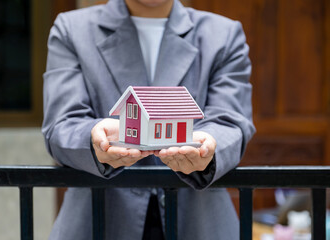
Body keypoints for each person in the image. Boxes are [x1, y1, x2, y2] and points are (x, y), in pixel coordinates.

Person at [42, 0, 256, 239]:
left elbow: (231, 120)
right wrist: (94, 139)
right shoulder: (72, 29)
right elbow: (61, 125)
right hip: (100, 217)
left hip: (198, 218)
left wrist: (209, 143)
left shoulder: (222, 34)